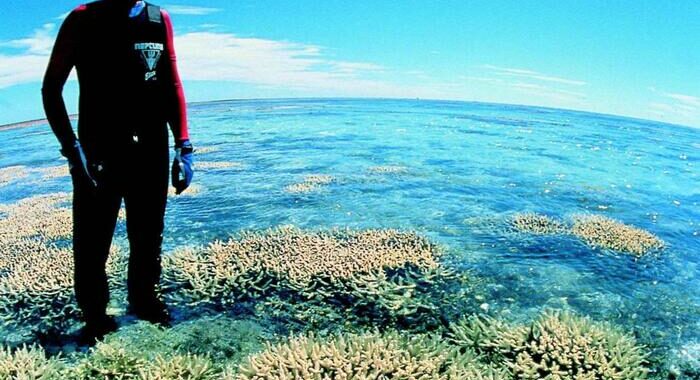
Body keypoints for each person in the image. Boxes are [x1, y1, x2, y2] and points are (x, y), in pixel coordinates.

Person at [41, 0, 193, 343]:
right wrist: (71, 148)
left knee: (148, 237)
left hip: (151, 151)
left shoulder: (158, 19)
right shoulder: (83, 19)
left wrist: (183, 146)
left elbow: (172, 84)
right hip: (98, 154)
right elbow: (51, 89)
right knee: (93, 243)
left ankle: (144, 303)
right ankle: (95, 319)